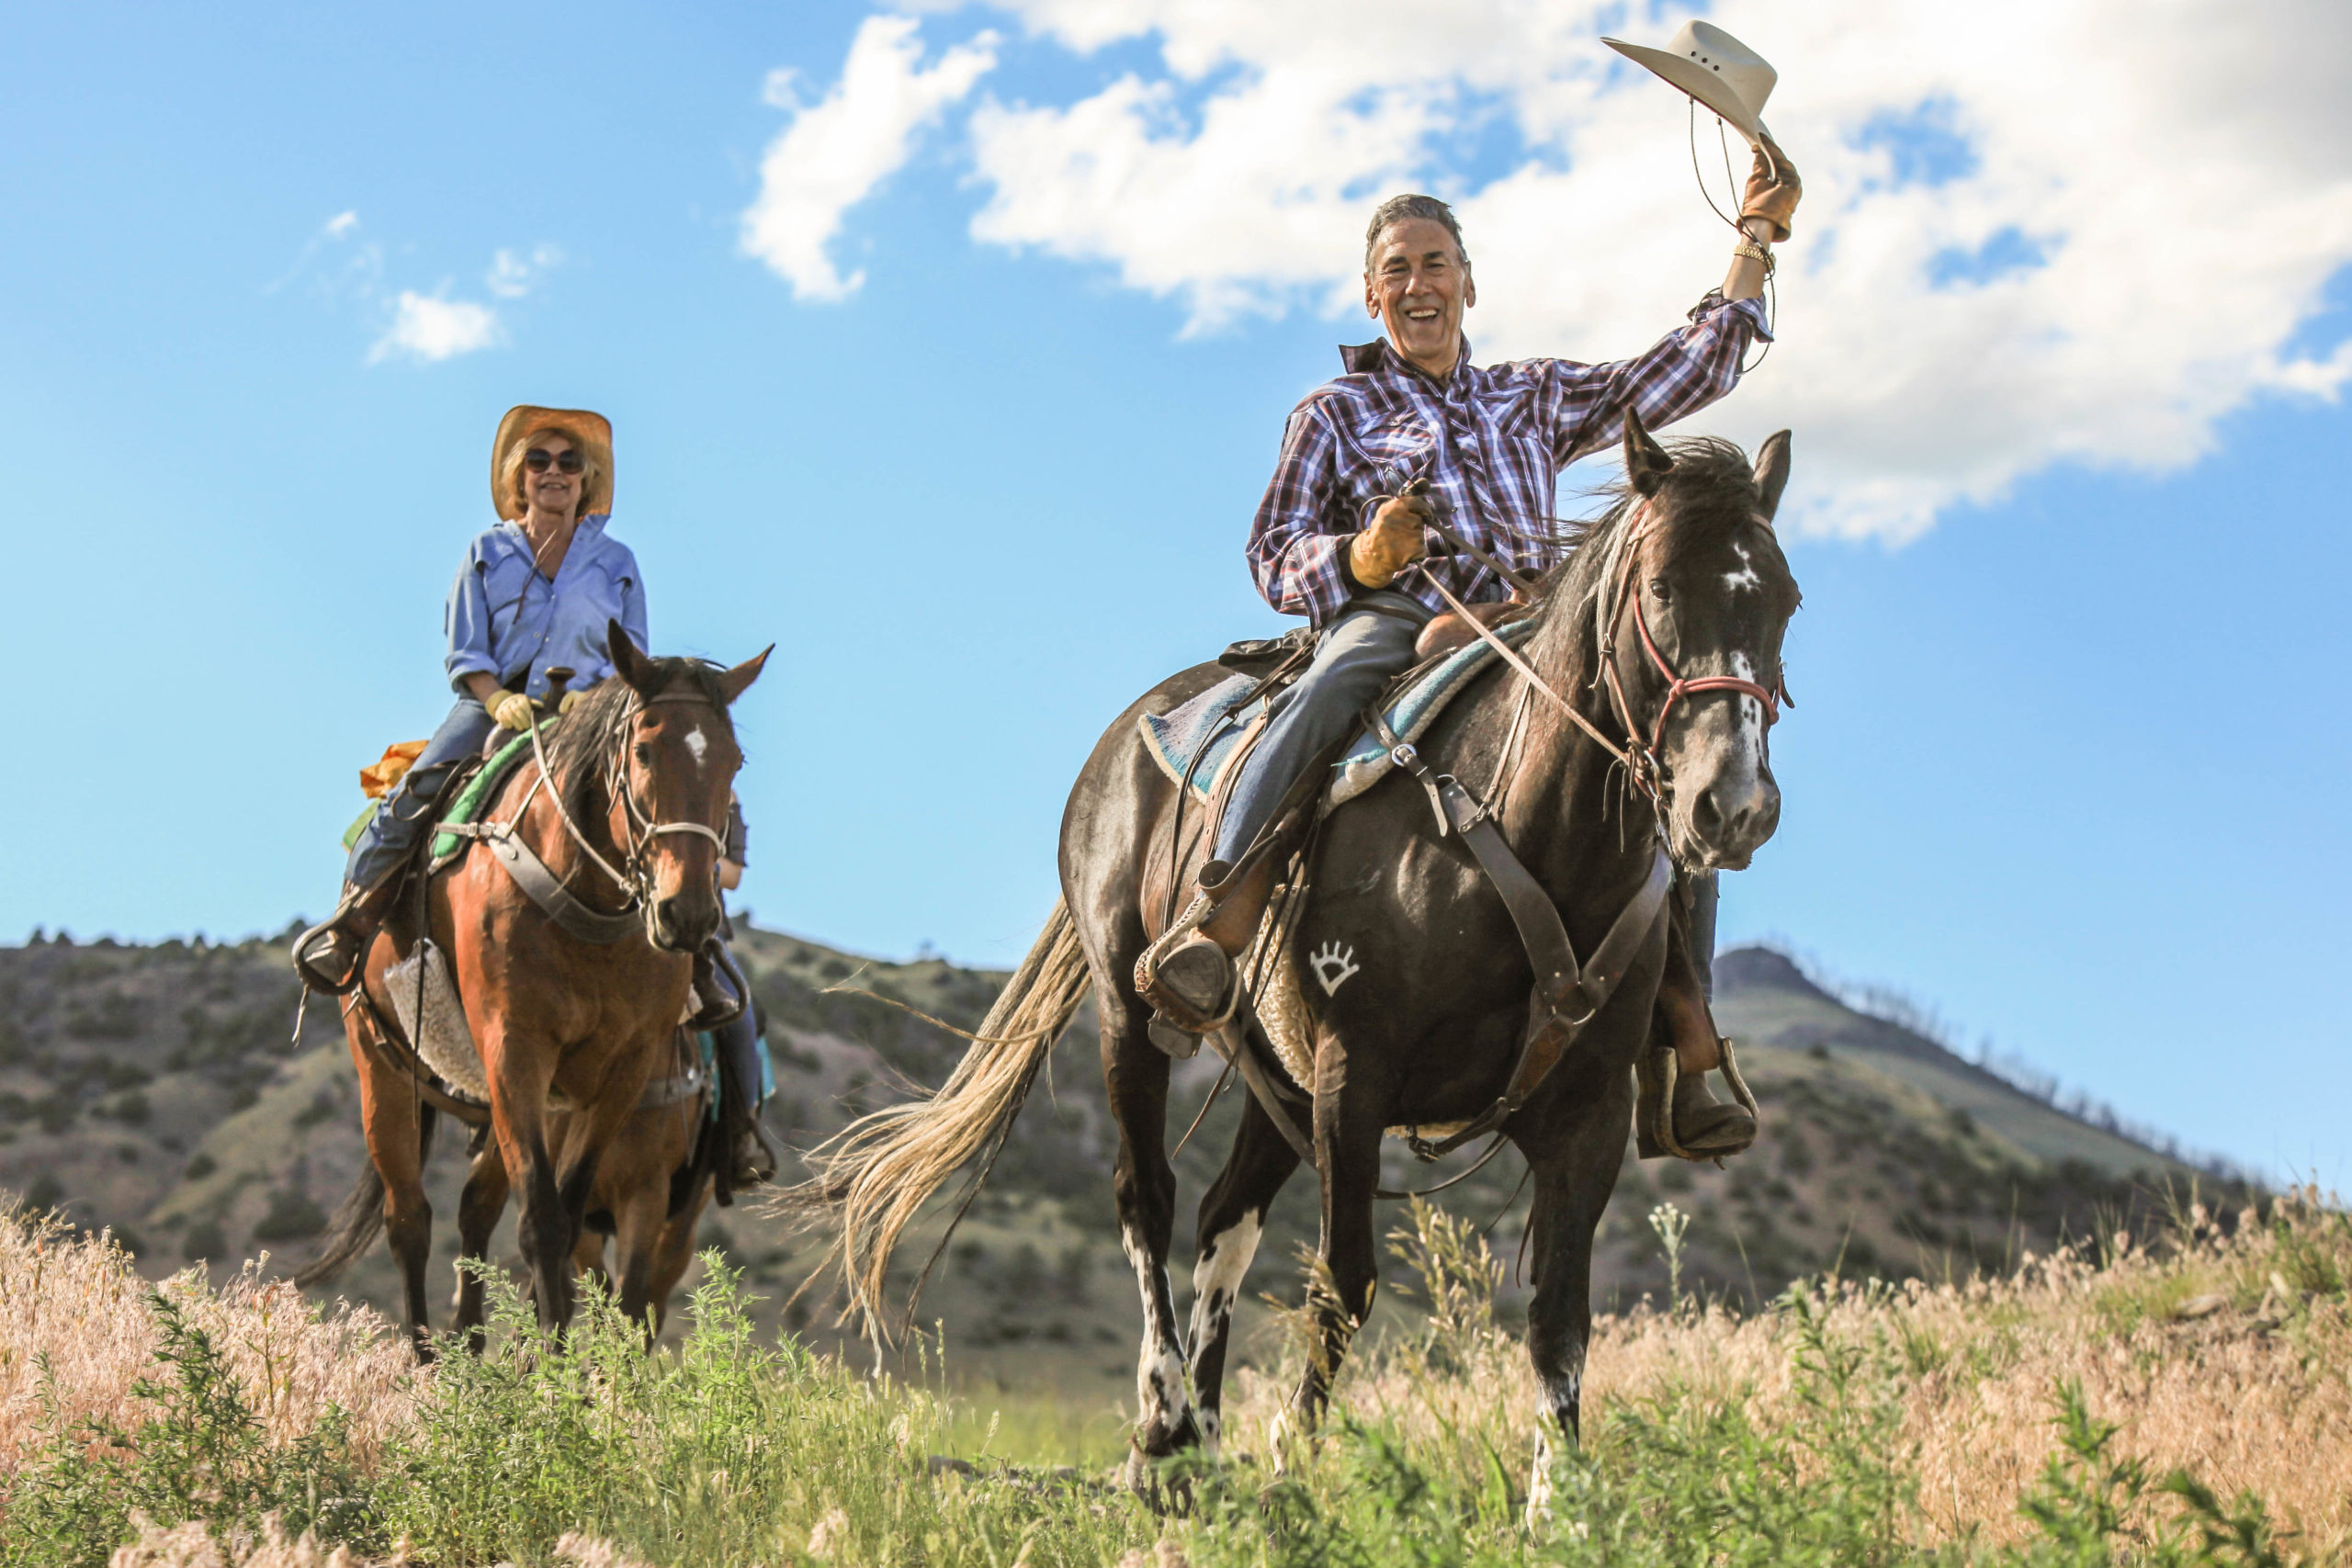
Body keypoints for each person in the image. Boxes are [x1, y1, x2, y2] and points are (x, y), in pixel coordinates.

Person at [1137, 141, 1803, 1156]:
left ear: (1468, 285)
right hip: (1399, 620)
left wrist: (1755, 238)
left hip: (1536, 628)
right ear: (1370, 298)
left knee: (1659, 746)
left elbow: (1683, 370)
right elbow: (1272, 556)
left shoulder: (1528, 395)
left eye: (1435, 263)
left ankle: (1685, 1037)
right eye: (1396, 269)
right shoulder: (1334, 412)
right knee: (1333, 682)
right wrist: (1361, 555)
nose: (1418, 283)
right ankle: (1219, 917)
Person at [292, 405, 647, 994]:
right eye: (539, 460)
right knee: (419, 788)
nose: (553, 471)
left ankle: (694, 958)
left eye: (568, 462)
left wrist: (594, 700)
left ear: (587, 480)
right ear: (519, 476)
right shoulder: (486, 551)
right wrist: (498, 700)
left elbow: (634, 658)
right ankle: (351, 925)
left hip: (592, 716)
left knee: (661, 797)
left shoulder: (618, 563)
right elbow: (466, 652)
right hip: (493, 705)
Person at [708, 793, 777, 1189]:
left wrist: (686, 852)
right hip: (626, 922)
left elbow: (731, 875)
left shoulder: (726, 800)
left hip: (700, 930)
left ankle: (741, 1137)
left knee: (741, 1016)